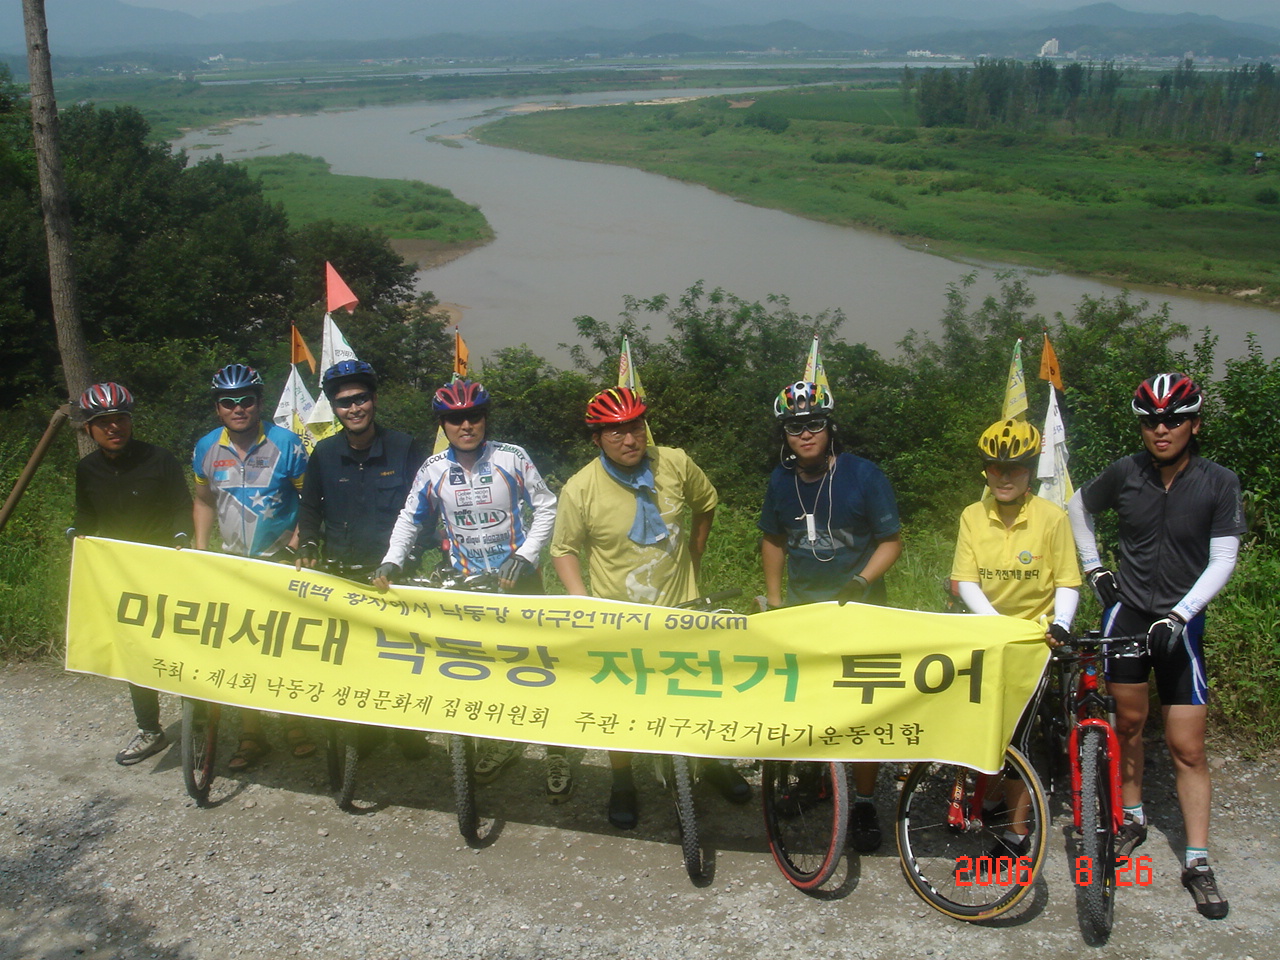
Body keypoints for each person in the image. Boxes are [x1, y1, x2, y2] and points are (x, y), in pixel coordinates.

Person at [1068, 373, 1243, 919]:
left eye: (1173, 419)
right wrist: (1095, 569)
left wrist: (1181, 614)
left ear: (1195, 424)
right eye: (1151, 421)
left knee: (1187, 747)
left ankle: (1197, 860)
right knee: (1127, 726)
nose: (1161, 429)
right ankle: (1133, 817)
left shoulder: (1219, 482)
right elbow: (1076, 507)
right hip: (1128, 615)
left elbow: (1224, 559)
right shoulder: (1126, 472)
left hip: (1180, 624)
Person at [550, 386, 748, 830]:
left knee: (698, 694)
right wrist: (582, 602)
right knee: (617, 704)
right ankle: (622, 780)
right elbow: (563, 549)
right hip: (619, 619)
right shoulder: (580, 488)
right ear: (597, 439)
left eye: (636, 427)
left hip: (681, 608)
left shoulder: (673, 463)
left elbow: (706, 503)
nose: (629, 440)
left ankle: (711, 762)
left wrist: (695, 554)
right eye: (615, 432)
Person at [373, 379, 567, 797]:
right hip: (468, 586)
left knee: (538, 668)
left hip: (518, 581)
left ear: (485, 419)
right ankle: (505, 740)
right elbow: (410, 517)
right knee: (485, 671)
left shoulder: (512, 457)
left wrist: (527, 554)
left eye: (474, 416)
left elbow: (547, 506)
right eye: (455, 419)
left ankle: (557, 751)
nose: (466, 425)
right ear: (443, 425)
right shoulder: (433, 469)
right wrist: (394, 558)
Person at [758, 380, 903, 853]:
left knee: (862, 711)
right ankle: (816, 776)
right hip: (805, 611)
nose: (805, 434)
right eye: (794, 427)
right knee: (809, 703)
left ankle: (863, 801)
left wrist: (860, 581)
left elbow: (891, 541)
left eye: (814, 424)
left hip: (861, 611)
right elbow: (774, 539)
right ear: (784, 434)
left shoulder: (864, 476)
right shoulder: (781, 480)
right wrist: (775, 600)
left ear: (831, 428)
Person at [950, 418, 1081, 856]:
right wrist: (994, 622)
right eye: (996, 468)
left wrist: (1061, 622)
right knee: (982, 722)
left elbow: (1067, 580)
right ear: (986, 471)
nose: (1004, 478)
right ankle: (984, 798)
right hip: (988, 632)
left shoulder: (1052, 517)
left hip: (1033, 639)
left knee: (1019, 733)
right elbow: (966, 580)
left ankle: (1017, 832)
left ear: (1029, 472)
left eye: (1015, 469)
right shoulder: (972, 515)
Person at [297, 359, 429, 759]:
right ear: (334, 409)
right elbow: (310, 508)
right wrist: (308, 545)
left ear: (373, 400)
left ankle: (407, 730)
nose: (354, 408)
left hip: (394, 575)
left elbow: (425, 507)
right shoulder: (323, 453)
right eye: (344, 402)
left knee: (401, 656)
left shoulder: (405, 447)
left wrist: (414, 555)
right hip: (343, 574)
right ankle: (367, 729)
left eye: (361, 399)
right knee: (355, 658)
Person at [193, 363, 310, 771]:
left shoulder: (288, 443)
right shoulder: (206, 447)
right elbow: (203, 501)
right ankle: (251, 733)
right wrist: (201, 549)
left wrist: (297, 543)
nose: (238, 408)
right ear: (218, 408)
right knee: (241, 650)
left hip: (279, 561)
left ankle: (294, 724)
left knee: (283, 648)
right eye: (229, 402)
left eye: (246, 400)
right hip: (233, 564)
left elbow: (309, 500)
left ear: (260, 403)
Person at [69, 382, 193, 766]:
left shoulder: (160, 459)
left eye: (120, 419)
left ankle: (199, 719)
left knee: (184, 646)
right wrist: (76, 532)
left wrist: (182, 535)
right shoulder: (86, 469)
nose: (114, 427)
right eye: (103, 422)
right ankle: (150, 729)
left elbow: (182, 506)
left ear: (130, 420)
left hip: (166, 567)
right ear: (88, 428)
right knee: (135, 651)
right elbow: (86, 515)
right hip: (121, 575)